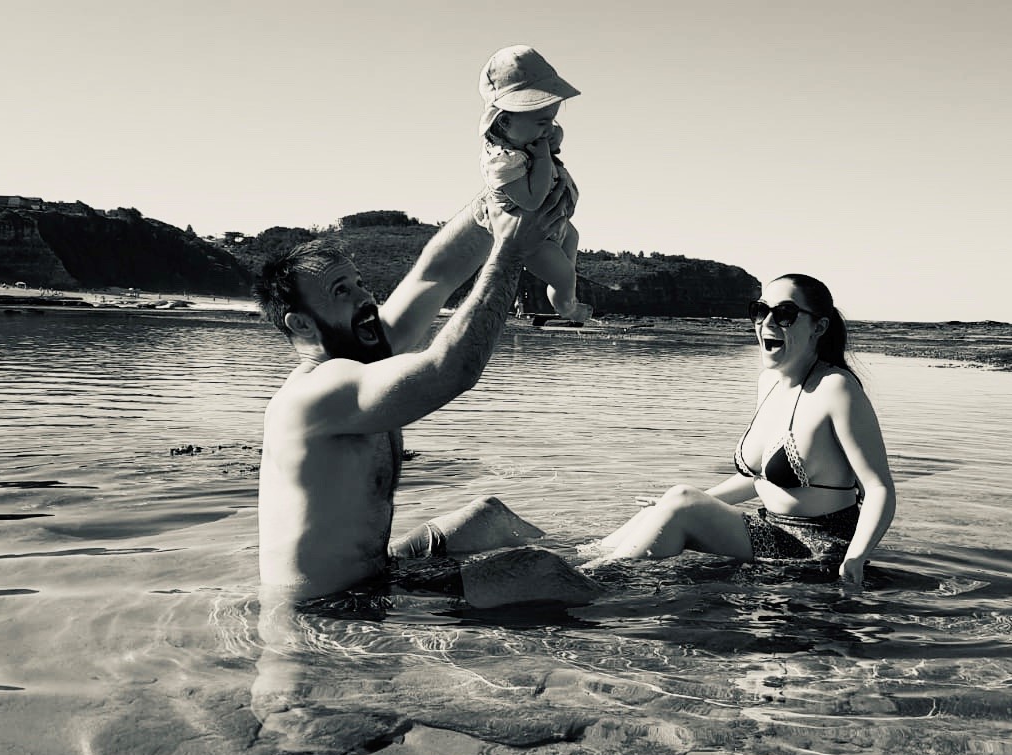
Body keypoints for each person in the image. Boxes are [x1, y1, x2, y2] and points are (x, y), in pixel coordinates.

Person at [253, 186, 600, 609]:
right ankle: (638, 603)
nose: (366, 297)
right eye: (341, 291)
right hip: (338, 603)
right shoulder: (316, 392)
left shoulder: (362, 351)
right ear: (303, 325)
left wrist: (492, 205)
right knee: (539, 571)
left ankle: (597, 561)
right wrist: (510, 252)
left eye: (360, 283)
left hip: (381, 567)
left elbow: (435, 275)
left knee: (487, 516)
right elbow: (451, 368)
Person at [597, 274, 898, 586]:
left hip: (818, 548)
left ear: (818, 327)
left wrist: (856, 558)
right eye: (760, 310)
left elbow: (878, 489)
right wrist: (684, 502)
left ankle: (595, 584)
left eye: (784, 314)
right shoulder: (768, 382)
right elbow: (757, 479)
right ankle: (583, 561)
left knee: (681, 501)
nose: (767, 322)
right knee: (663, 507)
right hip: (772, 531)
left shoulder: (836, 388)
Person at [422, 44, 590, 323]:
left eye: (553, 119)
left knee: (573, 239)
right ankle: (565, 302)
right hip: (529, 234)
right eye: (541, 122)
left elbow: (552, 135)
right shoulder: (501, 161)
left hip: (553, 224)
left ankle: (566, 293)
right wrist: (544, 158)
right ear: (503, 124)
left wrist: (548, 137)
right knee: (563, 274)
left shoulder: (527, 138)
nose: (549, 129)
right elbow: (532, 200)